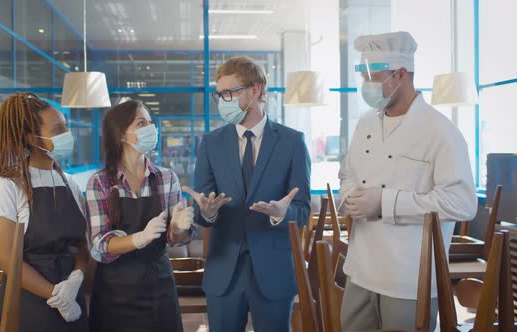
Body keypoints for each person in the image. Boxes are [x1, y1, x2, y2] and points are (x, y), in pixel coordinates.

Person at [338, 31, 477, 331]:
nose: (366, 86)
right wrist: (348, 196)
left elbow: (463, 203)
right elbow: (347, 175)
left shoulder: (440, 131)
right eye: (363, 76)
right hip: (359, 271)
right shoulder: (364, 124)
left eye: (373, 77)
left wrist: (386, 203)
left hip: (409, 280)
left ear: (401, 74)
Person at [183, 56, 311, 332]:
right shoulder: (210, 144)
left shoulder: (292, 143)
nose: (223, 101)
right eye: (220, 95)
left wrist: (282, 214)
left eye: (230, 92)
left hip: (274, 271)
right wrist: (206, 212)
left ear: (255, 90)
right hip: (223, 272)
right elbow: (201, 209)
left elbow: (302, 210)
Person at [86, 100, 196, 332]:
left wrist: (177, 229)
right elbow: (100, 243)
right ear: (122, 135)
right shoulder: (100, 182)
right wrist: (139, 238)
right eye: (141, 122)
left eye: (151, 122)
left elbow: (177, 239)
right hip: (114, 294)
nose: (151, 128)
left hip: (159, 288)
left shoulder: (167, 178)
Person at [0, 93, 89, 331]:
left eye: (66, 127)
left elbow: (83, 244)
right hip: (28, 301)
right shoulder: (8, 185)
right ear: (32, 138)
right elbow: (5, 258)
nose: (67, 134)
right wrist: (55, 294)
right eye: (58, 129)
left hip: (72, 296)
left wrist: (76, 278)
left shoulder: (69, 183)